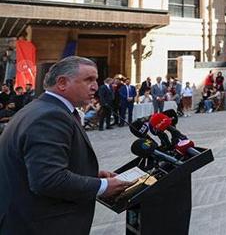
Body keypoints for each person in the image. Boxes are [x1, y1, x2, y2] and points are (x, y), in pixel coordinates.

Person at [0, 56, 132, 233]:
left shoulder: (42, 108)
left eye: (96, 80)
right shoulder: (50, 117)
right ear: (62, 83)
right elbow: (47, 179)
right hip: (41, 225)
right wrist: (103, 187)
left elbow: (40, 164)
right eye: (89, 80)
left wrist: (88, 173)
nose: (95, 86)